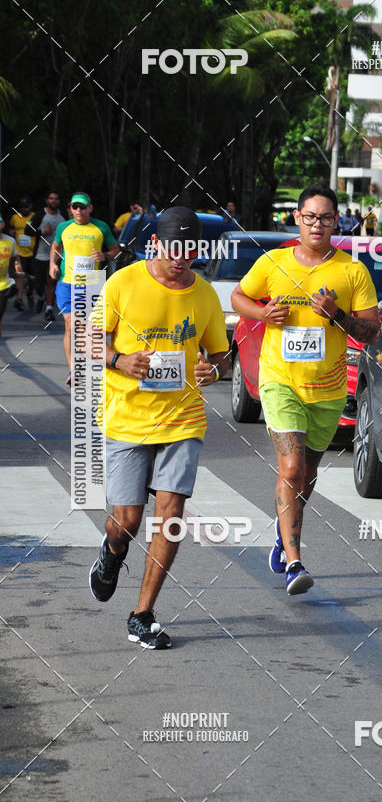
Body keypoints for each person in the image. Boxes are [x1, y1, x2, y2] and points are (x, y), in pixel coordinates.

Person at [87, 206, 229, 649]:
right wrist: (119, 360)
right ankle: (112, 552)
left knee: (171, 516)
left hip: (183, 419)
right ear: (155, 244)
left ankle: (142, 614)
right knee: (126, 521)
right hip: (127, 417)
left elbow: (220, 354)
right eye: (173, 248)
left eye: (190, 249)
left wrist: (214, 370)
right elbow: (89, 339)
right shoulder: (123, 282)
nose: (181, 258)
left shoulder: (205, 294)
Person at [231, 183, 379, 594]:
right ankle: (294, 563)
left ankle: (283, 535)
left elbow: (371, 331)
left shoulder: (352, 271)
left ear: (337, 222)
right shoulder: (273, 262)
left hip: (327, 391)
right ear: (297, 218)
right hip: (280, 381)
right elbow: (239, 296)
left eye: (326, 218)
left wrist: (338, 315)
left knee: (308, 473)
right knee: (292, 468)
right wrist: (263, 313)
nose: (317, 224)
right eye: (310, 216)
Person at [49, 192, 119, 385]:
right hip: (67, 283)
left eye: (82, 206)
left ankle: (93, 362)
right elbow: (55, 246)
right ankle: (73, 370)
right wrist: (52, 264)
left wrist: (105, 255)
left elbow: (115, 250)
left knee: (91, 328)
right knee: (71, 324)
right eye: (75, 206)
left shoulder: (101, 227)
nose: (78, 210)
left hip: (92, 283)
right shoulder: (63, 227)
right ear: (70, 208)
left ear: (90, 208)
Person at [25, 191, 64, 319]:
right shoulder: (40, 215)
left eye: (56, 199)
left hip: (57, 256)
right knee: (38, 283)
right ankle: (41, 297)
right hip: (40, 255)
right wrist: (42, 231)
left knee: (52, 282)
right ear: (47, 200)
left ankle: (49, 310)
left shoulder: (63, 216)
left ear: (59, 201)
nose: (54, 201)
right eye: (51, 198)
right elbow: (27, 229)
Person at [9, 196, 36, 310]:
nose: (24, 209)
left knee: (33, 278)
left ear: (31, 206)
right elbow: (11, 227)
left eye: (26, 206)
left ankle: (30, 291)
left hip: (33, 252)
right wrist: (11, 232)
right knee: (20, 275)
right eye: (21, 207)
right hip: (19, 253)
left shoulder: (35, 217)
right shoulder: (15, 217)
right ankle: (19, 299)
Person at [0, 217, 20, 337]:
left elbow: (15, 257)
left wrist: (17, 266)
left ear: (2, 224)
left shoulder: (10, 241)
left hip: (3, 284)